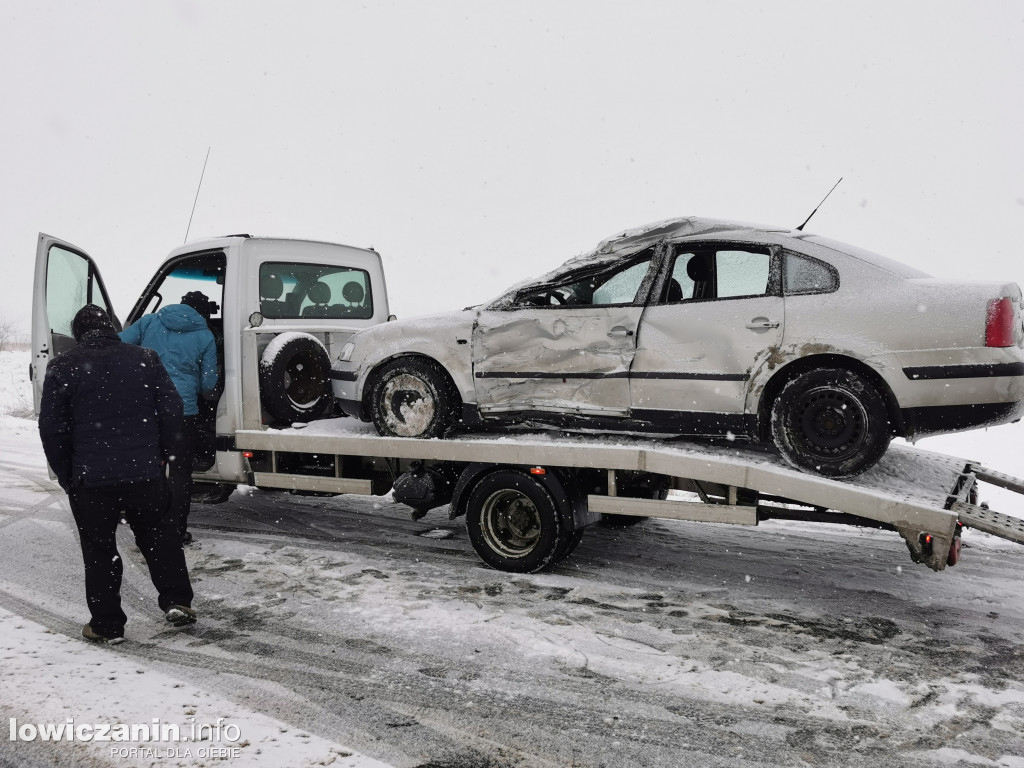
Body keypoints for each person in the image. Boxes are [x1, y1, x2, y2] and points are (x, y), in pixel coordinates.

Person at [38, 305, 197, 644]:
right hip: (145, 475)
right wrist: (163, 458)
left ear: (79, 333)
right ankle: (177, 600)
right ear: (111, 327)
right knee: (158, 538)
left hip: (91, 480)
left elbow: (51, 429)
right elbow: (171, 410)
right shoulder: (145, 358)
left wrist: (68, 475)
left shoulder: (63, 366)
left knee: (99, 550)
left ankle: (107, 625)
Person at [119, 291, 218, 544]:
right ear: (203, 312)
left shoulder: (150, 321)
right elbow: (208, 384)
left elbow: (118, 346)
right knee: (180, 473)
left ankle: (144, 524)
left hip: (148, 409)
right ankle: (175, 531)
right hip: (183, 413)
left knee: (147, 467)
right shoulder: (205, 334)